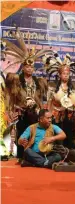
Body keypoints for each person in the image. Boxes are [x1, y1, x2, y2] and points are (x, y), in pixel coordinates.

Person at [2, 28, 50, 162]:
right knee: (22, 134)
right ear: (23, 67)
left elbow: (40, 97)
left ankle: (32, 157)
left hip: (34, 112)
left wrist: (37, 107)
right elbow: (11, 95)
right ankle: (21, 157)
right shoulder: (17, 80)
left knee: (34, 134)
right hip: (22, 112)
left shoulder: (38, 81)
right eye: (27, 67)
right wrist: (13, 109)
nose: (30, 69)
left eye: (32, 67)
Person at [44, 52, 75, 149]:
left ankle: (70, 155)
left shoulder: (73, 88)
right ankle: (58, 155)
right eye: (64, 73)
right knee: (58, 138)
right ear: (59, 75)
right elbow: (49, 103)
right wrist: (49, 115)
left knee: (69, 137)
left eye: (68, 74)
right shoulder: (53, 86)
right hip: (57, 116)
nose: (66, 75)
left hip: (69, 116)